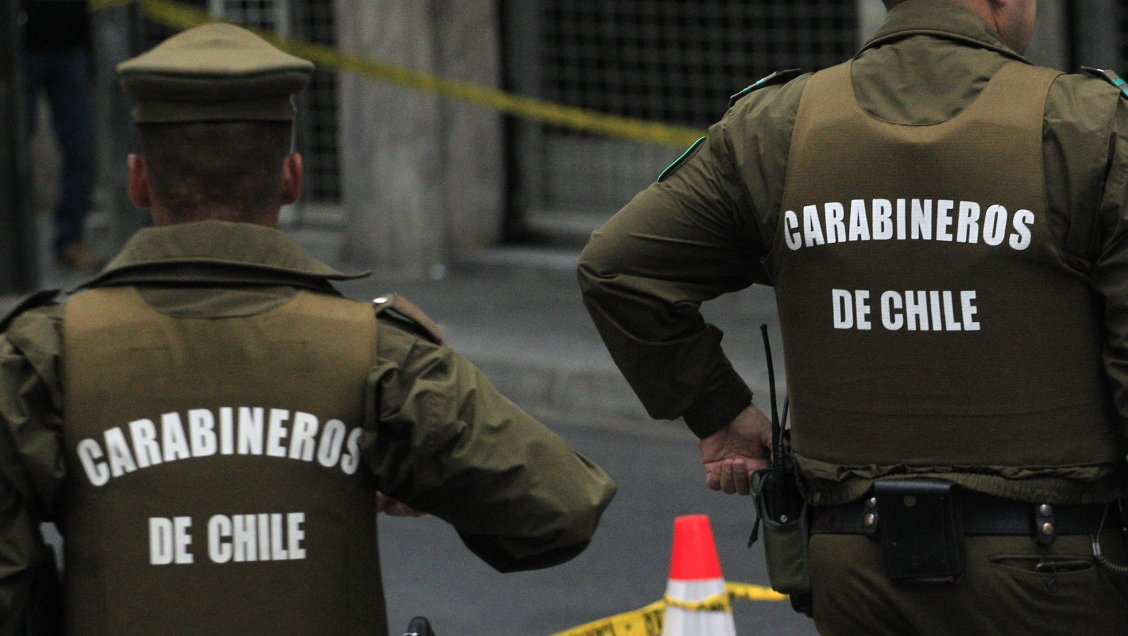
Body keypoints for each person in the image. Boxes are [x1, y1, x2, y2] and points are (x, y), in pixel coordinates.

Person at [0, 23, 616, 635]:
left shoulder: (44, 356)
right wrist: (423, 468)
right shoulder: (378, 353)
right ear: (292, 179)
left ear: (138, 181)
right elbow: (560, 507)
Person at [578, 0, 1128, 633]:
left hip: (854, 570)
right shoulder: (1088, 125)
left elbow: (617, 269)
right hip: (1056, 570)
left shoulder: (777, 126)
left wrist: (719, 412)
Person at [21, 0, 104, 270]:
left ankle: (70, 241)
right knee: (10, 153)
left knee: (81, 148)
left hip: (70, 44)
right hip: (17, 47)